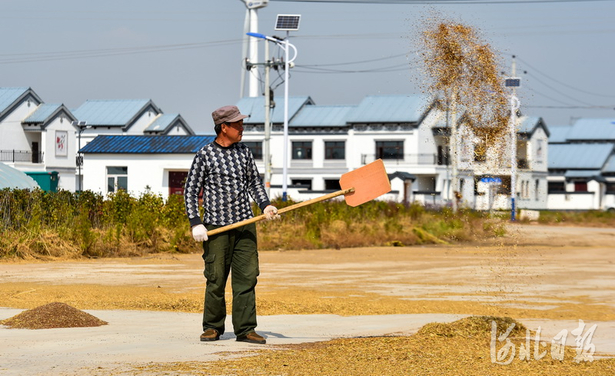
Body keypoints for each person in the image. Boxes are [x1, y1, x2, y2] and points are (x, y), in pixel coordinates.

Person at [184, 105, 279, 345]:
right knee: (215, 278)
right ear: (223, 127)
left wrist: (265, 205)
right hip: (216, 228)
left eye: (241, 124)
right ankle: (212, 327)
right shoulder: (205, 154)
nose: (242, 128)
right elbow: (191, 190)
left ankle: (246, 329)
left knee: (247, 278)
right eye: (237, 125)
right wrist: (196, 223)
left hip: (245, 225)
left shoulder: (244, 152)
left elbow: (254, 184)